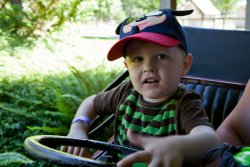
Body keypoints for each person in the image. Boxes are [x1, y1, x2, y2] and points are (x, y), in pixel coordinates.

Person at [61, 8, 220, 166]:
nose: (148, 67)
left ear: (185, 64)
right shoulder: (126, 92)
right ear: (126, 66)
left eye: (160, 56)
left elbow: (211, 141)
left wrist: (179, 146)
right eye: (137, 59)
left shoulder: (185, 103)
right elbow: (91, 103)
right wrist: (78, 128)